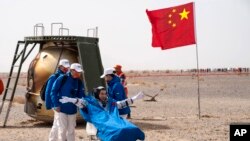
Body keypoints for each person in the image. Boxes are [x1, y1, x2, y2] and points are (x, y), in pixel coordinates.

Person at [59, 86, 145, 141]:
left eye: (105, 94)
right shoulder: (91, 103)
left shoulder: (110, 102)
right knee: (120, 131)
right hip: (101, 125)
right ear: (97, 94)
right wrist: (72, 100)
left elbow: (121, 104)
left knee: (129, 128)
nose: (104, 95)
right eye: (102, 94)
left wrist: (134, 98)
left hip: (112, 122)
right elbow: (82, 103)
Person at [50, 63, 85, 141]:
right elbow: (53, 91)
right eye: (77, 71)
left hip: (72, 110)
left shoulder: (79, 82)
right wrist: (56, 104)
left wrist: (81, 103)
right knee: (62, 130)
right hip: (61, 109)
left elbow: (81, 95)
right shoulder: (62, 78)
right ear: (72, 70)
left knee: (71, 130)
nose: (79, 73)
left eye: (80, 72)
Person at [45, 59, 70, 141]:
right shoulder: (54, 77)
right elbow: (49, 92)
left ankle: (53, 139)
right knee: (59, 123)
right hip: (56, 104)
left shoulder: (67, 77)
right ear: (60, 67)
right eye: (64, 67)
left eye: (67, 67)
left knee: (57, 123)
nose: (66, 69)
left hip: (62, 104)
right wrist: (51, 105)